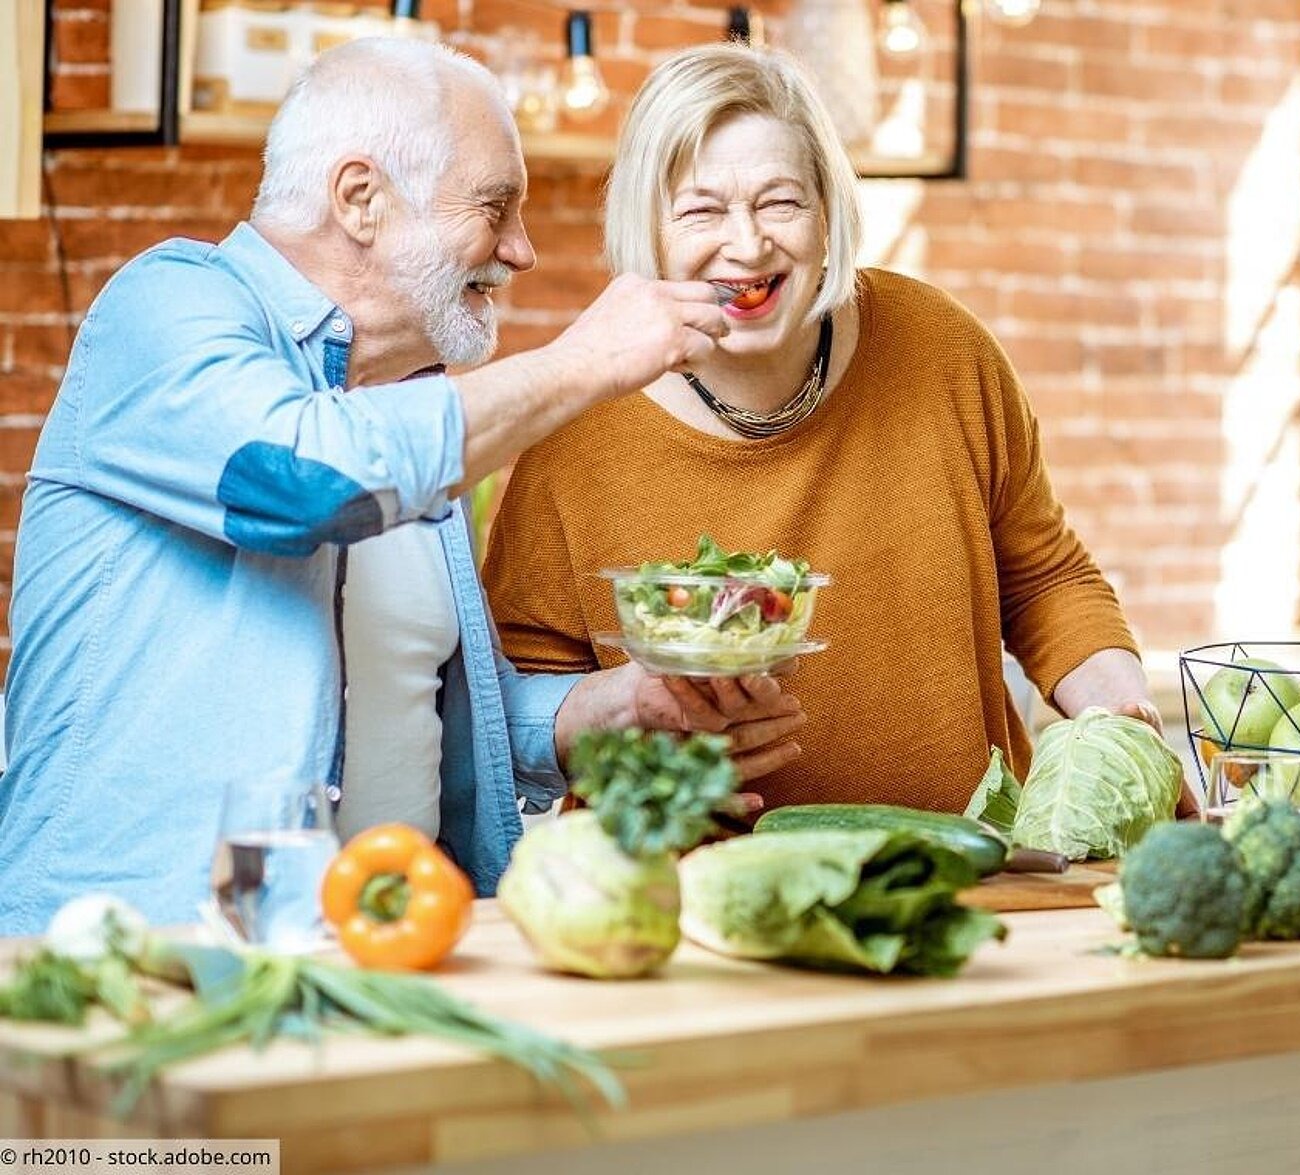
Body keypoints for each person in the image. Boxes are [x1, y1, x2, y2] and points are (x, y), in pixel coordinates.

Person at [0, 38, 807, 935]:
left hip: (383, 955)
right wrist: (586, 362)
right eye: (495, 207)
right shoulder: (164, 308)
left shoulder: (412, 406)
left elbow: (440, 713)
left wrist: (612, 709)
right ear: (361, 199)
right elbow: (302, 481)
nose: (522, 251)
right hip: (132, 954)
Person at [483, 42, 1159, 818]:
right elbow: (526, 698)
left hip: (967, 877)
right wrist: (638, 725)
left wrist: (1125, 722)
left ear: (828, 213)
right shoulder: (574, 426)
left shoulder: (942, 348)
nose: (747, 243)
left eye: (780, 201)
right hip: (692, 899)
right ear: (650, 228)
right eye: (702, 208)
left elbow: (1046, 581)